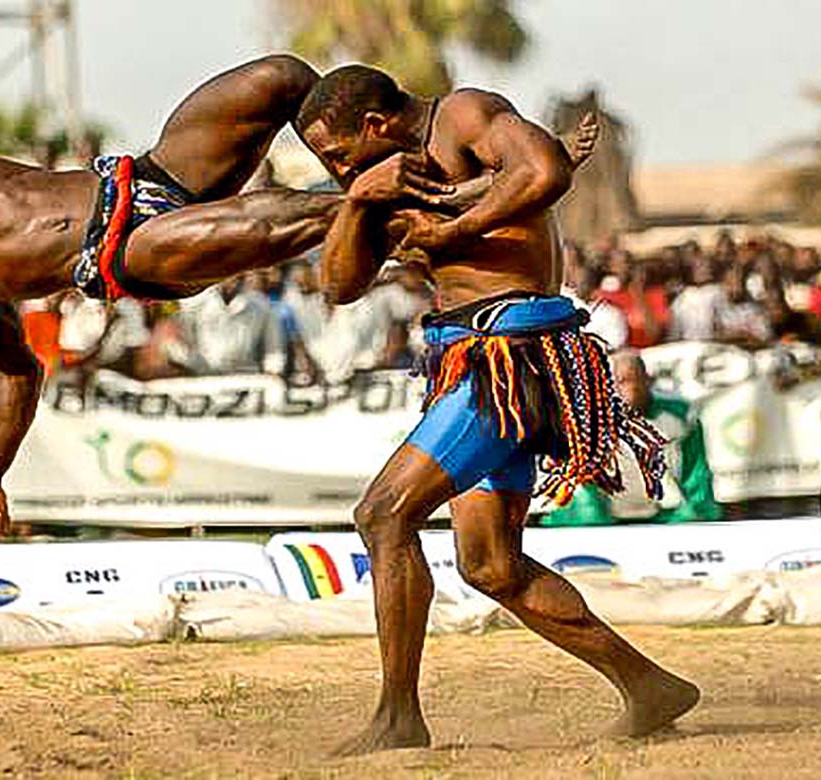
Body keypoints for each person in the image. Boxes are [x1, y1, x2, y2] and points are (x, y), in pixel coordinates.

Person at [0, 55, 493, 541]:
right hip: (132, 253)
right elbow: (16, 371)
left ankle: (408, 150)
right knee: (279, 221)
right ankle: (420, 209)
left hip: (150, 175)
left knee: (283, 77)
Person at [296, 64, 698, 754]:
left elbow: (544, 171)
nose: (336, 170)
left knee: (384, 515)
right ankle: (648, 686)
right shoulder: (387, 181)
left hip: (506, 361)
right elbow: (337, 286)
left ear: (375, 124)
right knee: (490, 565)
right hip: (470, 361)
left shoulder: (462, 115)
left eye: (339, 155)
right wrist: (360, 200)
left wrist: (458, 230)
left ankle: (397, 718)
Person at [544, 350, 720, 525]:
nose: (631, 388)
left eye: (635, 379)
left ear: (648, 380)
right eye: (621, 381)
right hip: (597, 515)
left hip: (665, 515)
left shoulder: (680, 416)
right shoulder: (585, 420)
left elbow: (697, 477)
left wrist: (692, 515)